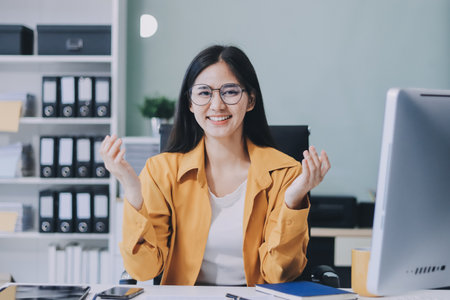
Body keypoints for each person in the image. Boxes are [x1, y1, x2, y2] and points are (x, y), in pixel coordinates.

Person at [100, 45, 330, 286]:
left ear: (250, 100)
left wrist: (293, 200)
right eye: (204, 93)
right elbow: (143, 269)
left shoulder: (285, 173)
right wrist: (132, 189)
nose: (217, 105)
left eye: (230, 92)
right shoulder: (161, 171)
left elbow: (278, 274)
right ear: (190, 102)